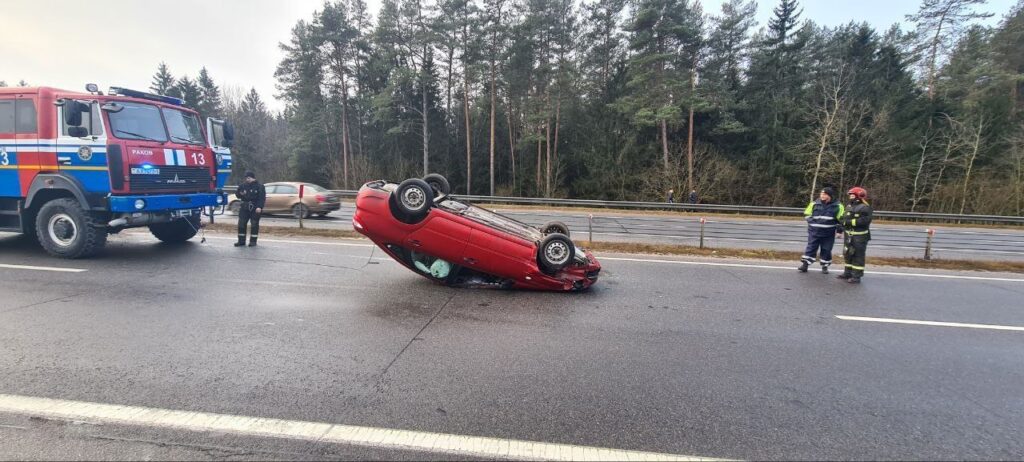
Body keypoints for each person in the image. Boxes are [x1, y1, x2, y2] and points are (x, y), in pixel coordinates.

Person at [798, 186, 844, 274]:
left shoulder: (838, 206)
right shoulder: (814, 203)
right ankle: (805, 265)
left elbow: (841, 220)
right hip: (814, 231)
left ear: (830, 196)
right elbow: (807, 214)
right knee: (811, 248)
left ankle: (825, 266)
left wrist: (839, 231)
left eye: (824, 194)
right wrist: (812, 222)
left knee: (826, 249)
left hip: (828, 233)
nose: (822, 196)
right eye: (821, 194)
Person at [837, 187, 873, 284]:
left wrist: (848, 222)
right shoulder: (849, 206)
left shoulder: (865, 207)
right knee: (848, 254)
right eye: (850, 195)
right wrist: (840, 226)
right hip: (848, 235)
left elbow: (865, 221)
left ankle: (856, 276)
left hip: (859, 237)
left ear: (859, 196)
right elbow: (843, 218)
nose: (850, 197)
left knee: (858, 256)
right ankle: (847, 273)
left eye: (852, 195)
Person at [235, 171, 266, 247]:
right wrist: (240, 194)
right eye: (246, 178)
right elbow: (237, 195)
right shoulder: (242, 186)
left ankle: (253, 241)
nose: (247, 180)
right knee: (241, 224)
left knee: (254, 224)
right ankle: (241, 241)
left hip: (255, 207)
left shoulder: (260, 186)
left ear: (253, 178)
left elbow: (262, 198)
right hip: (244, 207)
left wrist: (259, 207)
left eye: (248, 178)